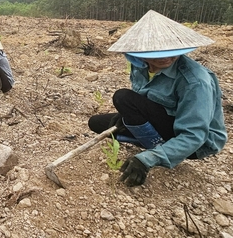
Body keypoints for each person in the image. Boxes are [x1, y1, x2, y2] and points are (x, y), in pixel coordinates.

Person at [88, 10, 227, 187]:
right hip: (165, 121)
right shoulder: (140, 66)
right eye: (156, 52)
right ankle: (157, 144)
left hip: (197, 143)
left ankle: (161, 151)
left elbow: (194, 135)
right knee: (97, 123)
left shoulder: (195, 81)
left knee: (122, 97)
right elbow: (144, 99)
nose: (165, 57)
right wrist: (128, 118)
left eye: (171, 50)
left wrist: (148, 159)